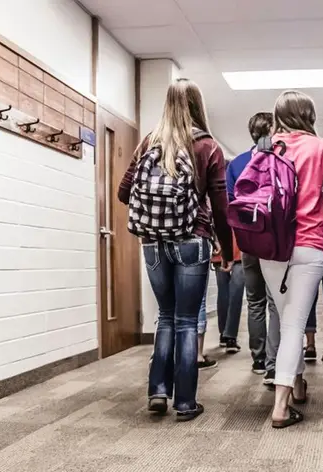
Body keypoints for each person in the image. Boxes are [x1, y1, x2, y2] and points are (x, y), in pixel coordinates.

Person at [118, 78, 233, 422]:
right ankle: (185, 402)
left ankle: (157, 391)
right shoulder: (208, 147)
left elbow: (124, 193)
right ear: (199, 106)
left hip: (152, 241)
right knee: (186, 320)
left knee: (164, 317)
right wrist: (226, 251)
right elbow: (221, 207)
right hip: (191, 239)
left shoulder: (149, 142)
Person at [259, 90, 323, 428]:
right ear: (310, 115)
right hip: (309, 243)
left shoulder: (265, 147)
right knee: (295, 323)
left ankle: (298, 384)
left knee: (285, 316)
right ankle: (280, 406)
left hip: (271, 247)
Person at [227, 112, 280, 382]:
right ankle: (273, 363)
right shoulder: (279, 159)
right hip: (274, 242)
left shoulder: (236, 164)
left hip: (248, 242)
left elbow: (229, 207)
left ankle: (258, 359)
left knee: (255, 301)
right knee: (274, 302)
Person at [212, 222, 245, 355]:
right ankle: (228, 336)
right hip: (230, 245)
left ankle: (226, 334)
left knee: (229, 291)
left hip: (226, 245)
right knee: (230, 292)